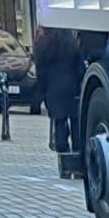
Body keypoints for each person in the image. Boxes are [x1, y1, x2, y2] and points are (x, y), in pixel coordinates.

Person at [33, 26, 86, 176]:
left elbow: (40, 71)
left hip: (53, 90)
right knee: (76, 124)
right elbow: (79, 66)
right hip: (72, 87)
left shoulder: (44, 45)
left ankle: (64, 164)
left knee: (60, 123)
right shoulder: (70, 44)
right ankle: (78, 162)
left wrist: (41, 93)